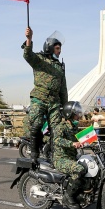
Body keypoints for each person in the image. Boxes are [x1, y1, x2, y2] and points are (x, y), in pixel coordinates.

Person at [22, 27, 68, 164]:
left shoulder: (60, 67)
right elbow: (27, 55)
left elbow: (63, 88)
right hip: (39, 98)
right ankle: (34, 155)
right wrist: (29, 39)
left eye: (60, 49)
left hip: (54, 102)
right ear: (49, 47)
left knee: (57, 129)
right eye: (57, 48)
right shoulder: (40, 60)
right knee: (36, 124)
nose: (59, 51)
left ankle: (56, 157)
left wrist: (65, 107)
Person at [52, 101, 85, 209]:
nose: (78, 116)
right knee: (79, 169)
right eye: (76, 114)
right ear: (69, 114)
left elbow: (79, 139)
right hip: (61, 159)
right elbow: (57, 140)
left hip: (72, 157)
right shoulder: (61, 127)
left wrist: (88, 141)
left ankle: (79, 193)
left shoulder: (74, 127)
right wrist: (72, 144)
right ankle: (68, 196)